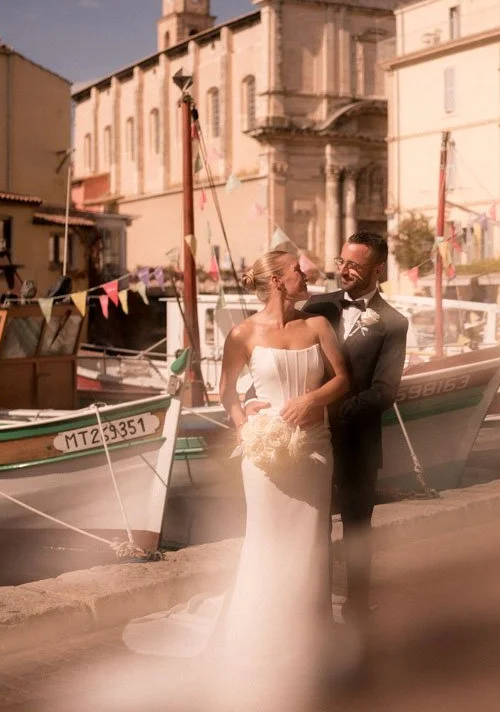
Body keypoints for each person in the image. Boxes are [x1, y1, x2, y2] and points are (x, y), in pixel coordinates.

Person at [109, 250, 349, 712]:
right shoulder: (243, 333)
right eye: (297, 269)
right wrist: (244, 424)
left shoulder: (318, 325)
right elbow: (226, 391)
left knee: (310, 545)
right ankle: (259, 644)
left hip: (315, 448)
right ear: (277, 280)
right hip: (264, 454)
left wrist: (311, 400)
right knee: (265, 544)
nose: (305, 274)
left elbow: (343, 379)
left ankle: (308, 642)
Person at [302, 231, 408, 630]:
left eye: (354, 265)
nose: (343, 270)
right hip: (308, 439)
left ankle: (358, 607)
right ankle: (314, 606)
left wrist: (334, 413)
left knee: (357, 531)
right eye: (341, 261)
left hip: (359, 444)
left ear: (377, 270)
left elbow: (385, 391)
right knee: (311, 527)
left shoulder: (394, 322)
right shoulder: (316, 307)